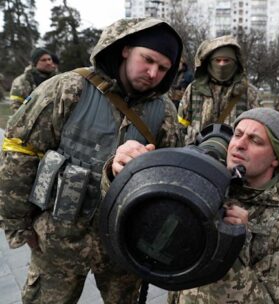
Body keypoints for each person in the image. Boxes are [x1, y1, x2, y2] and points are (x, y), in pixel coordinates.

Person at [0, 18, 182, 303]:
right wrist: (18, 223)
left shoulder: (165, 112)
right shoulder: (68, 89)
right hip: (58, 238)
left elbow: (171, 176)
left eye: (163, 68)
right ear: (125, 49)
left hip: (123, 244)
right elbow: (20, 152)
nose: (153, 73)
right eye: (147, 59)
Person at [108, 108, 279, 303]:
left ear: (275, 159)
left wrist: (228, 251)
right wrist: (122, 171)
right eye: (238, 134)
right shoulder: (211, 186)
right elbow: (137, 210)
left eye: (255, 140)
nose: (239, 145)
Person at [177, 35, 260, 145]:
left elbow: (258, 130)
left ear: (235, 63)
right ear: (209, 62)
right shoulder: (194, 89)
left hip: (234, 155)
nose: (221, 65)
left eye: (226, 60)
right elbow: (181, 125)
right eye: (217, 60)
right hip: (196, 153)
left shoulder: (248, 92)